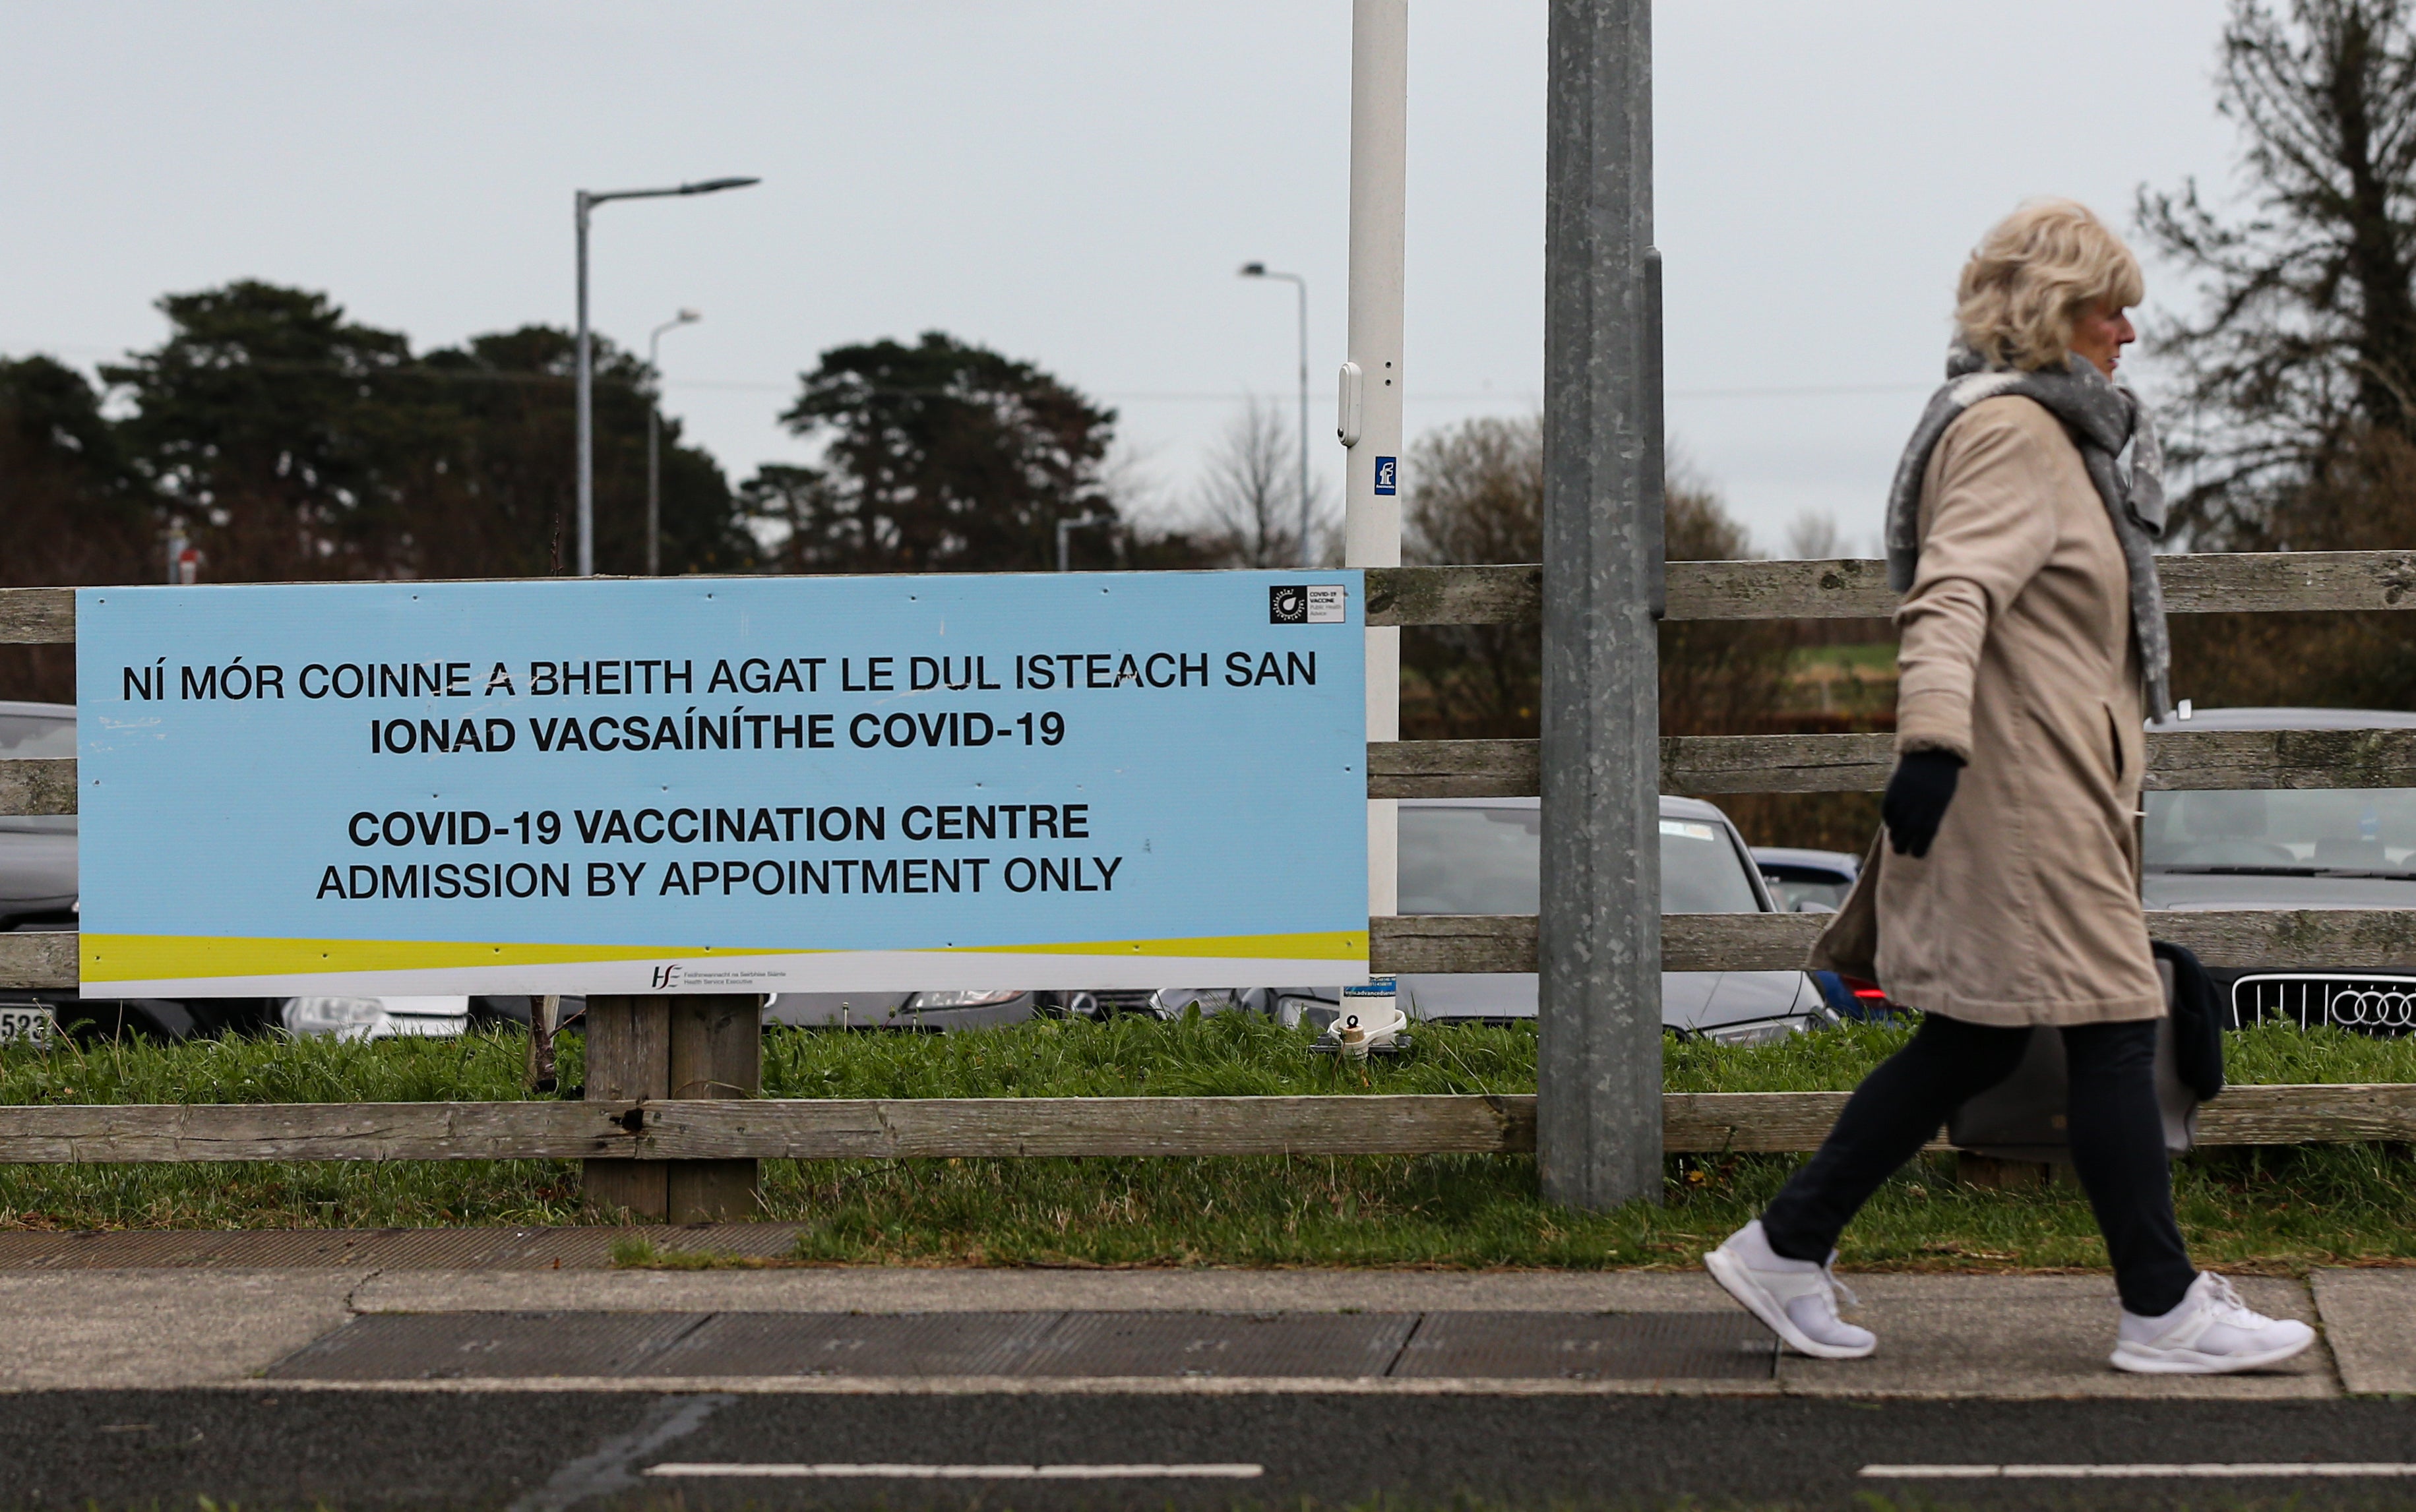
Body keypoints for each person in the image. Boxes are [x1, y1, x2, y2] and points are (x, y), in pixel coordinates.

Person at [1702, 199, 2315, 1377]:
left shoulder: (2056, 436)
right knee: (2119, 1020)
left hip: (2049, 785)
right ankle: (2164, 1307)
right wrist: (1930, 746)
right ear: (2051, 312)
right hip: (2023, 796)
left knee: (1975, 1042)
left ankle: (1787, 1244)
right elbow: (1951, 596)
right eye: (2107, 307)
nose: (2129, 329)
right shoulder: (2014, 436)